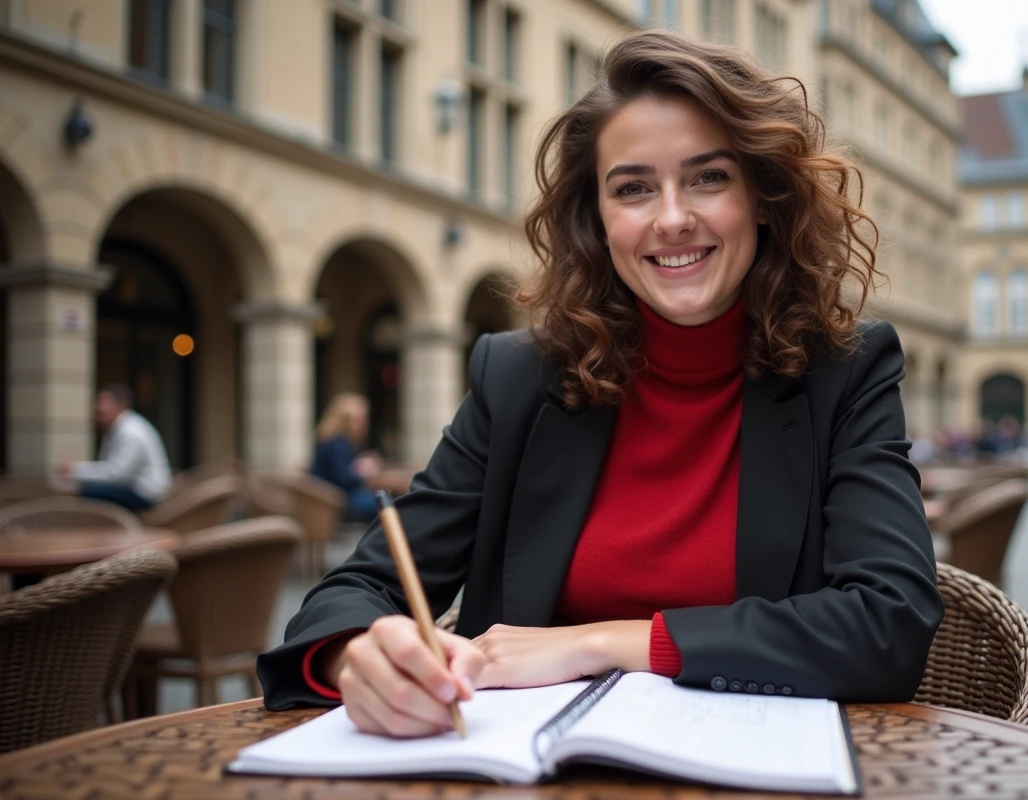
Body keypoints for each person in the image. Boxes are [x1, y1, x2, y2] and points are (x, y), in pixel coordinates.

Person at [258, 31, 944, 738]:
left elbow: (887, 623)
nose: (672, 218)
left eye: (709, 177)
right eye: (634, 188)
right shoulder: (518, 376)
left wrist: (602, 642)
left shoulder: (847, 372)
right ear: (599, 218)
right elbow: (356, 588)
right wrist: (355, 658)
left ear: (764, 198)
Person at [57, 384, 172, 511]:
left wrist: (76, 469)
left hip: (146, 493)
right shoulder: (119, 428)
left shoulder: (130, 431)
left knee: (89, 493)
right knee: (87, 489)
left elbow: (118, 474)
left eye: (103, 403)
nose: (97, 407)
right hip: (137, 488)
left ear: (120, 406)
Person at [311, 393, 384, 522]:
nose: (363, 425)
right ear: (344, 420)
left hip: (330, 498)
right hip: (333, 500)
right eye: (358, 420)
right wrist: (364, 470)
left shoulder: (332, 440)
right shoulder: (339, 443)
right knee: (384, 503)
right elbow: (343, 480)